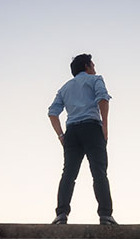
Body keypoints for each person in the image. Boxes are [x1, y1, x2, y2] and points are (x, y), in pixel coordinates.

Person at [48, 54, 117, 225]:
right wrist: (105, 126)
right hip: (92, 128)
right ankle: (105, 215)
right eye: (93, 65)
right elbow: (102, 98)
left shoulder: (65, 88)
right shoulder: (95, 80)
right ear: (87, 66)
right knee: (99, 172)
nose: (94, 68)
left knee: (69, 174)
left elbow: (52, 112)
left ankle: (61, 214)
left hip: (72, 132)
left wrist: (61, 135)